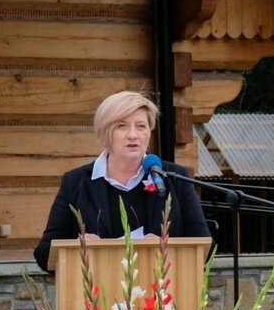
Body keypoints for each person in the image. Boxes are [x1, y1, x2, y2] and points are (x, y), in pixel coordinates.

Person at [34, 91, 209, 272]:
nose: (133, 135)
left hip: (159, 287)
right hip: (96, 288)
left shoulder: (174, 177)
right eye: (122, 126)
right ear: (105, 133)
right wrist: (77, 247)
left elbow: (204, 249)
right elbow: (43, 254)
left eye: (141, 126)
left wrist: (167, 248)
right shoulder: (75, 182)